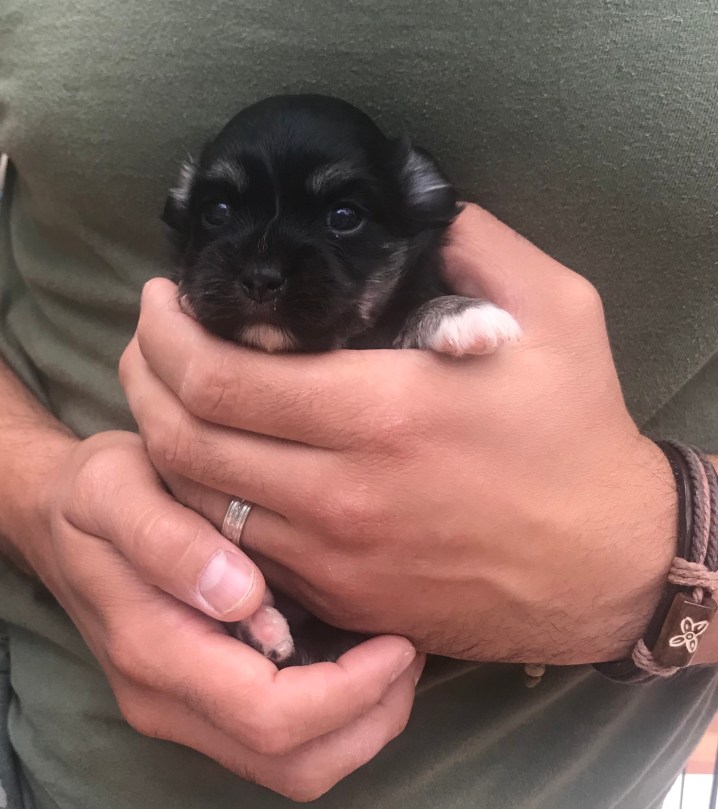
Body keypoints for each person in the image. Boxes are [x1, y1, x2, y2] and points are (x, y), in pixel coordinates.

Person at [1, 2, 717, 808]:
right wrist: (39, 499)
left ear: (419, 210)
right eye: (223, 214)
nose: (264, 268)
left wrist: (669, 561)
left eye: (342, 218)